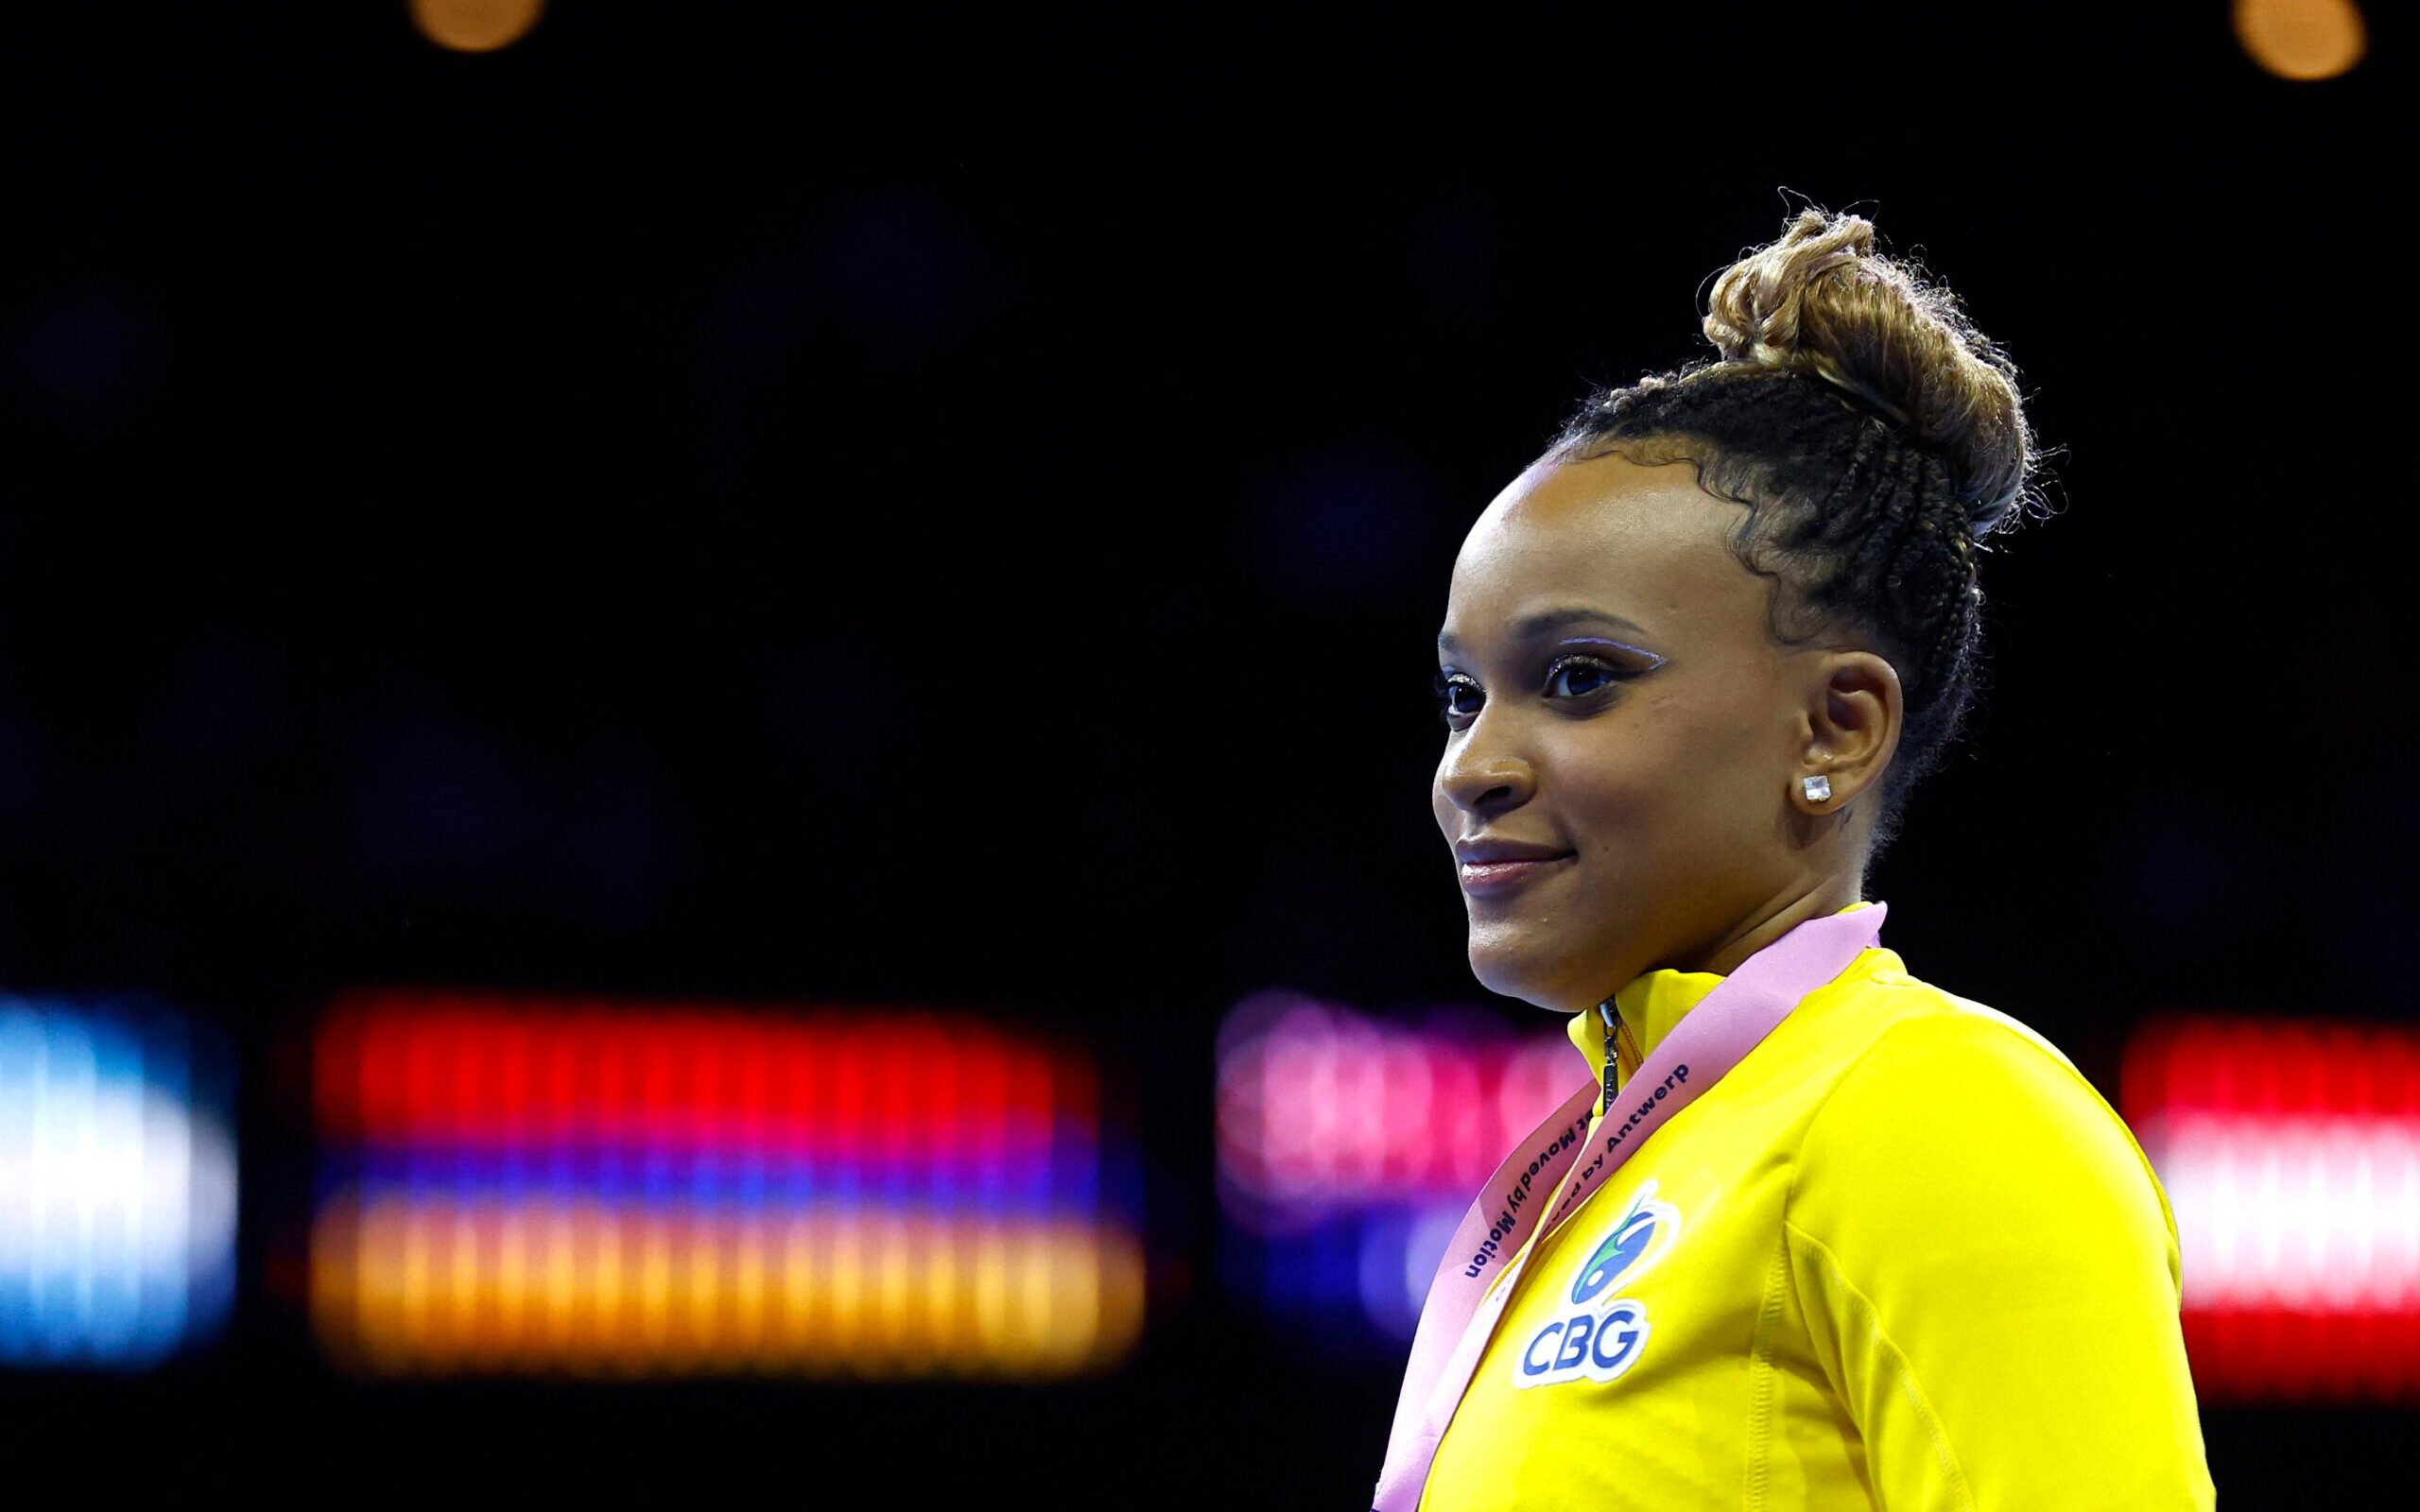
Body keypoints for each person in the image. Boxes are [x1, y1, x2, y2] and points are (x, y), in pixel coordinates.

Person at [1382, 207, 2215, 1509]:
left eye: (1580, 679)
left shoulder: (1944, 1116)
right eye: (1459, 696)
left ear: (1838, 725)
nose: (1472, 767)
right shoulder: (1602, 1172)